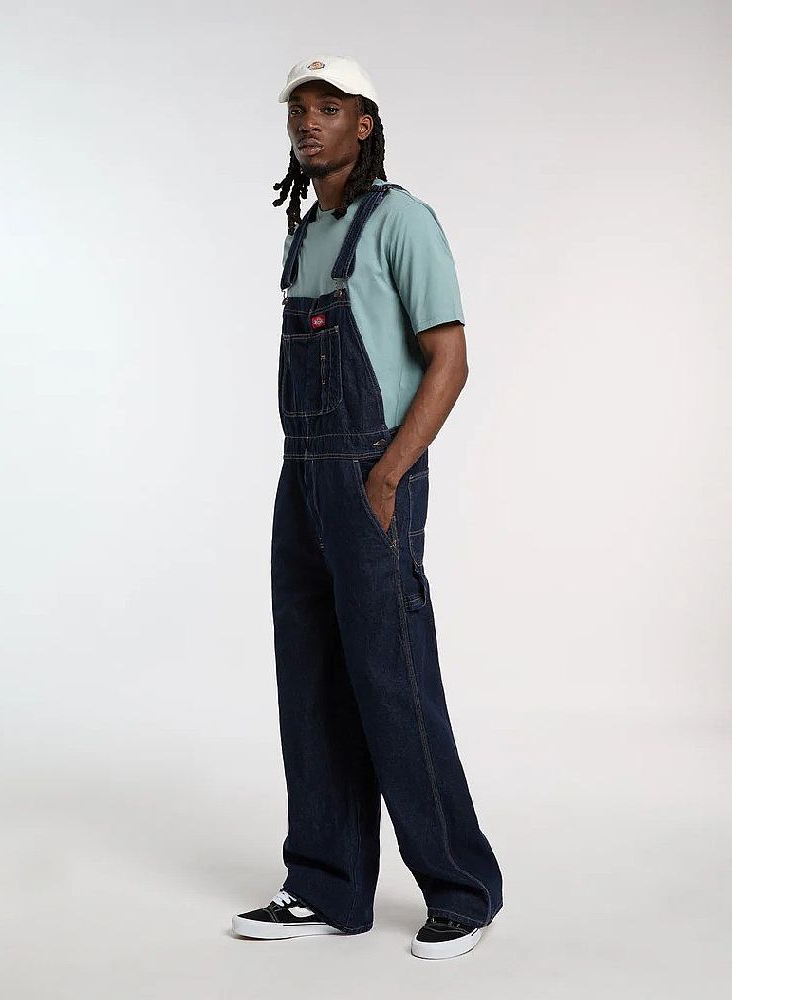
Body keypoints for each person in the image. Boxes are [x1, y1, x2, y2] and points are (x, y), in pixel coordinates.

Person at [230, 54, 504, 961]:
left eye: (329, 107)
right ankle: (328, 885)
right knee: (309, 681)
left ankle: (462, 890)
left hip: (370, 475)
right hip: (301, 480)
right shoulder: (305, 233)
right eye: (298, 110)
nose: (309, 123)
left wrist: (385, 479)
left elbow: (449, 361)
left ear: (365, 122)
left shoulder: (403, 222)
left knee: (393, 680)